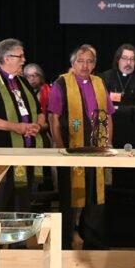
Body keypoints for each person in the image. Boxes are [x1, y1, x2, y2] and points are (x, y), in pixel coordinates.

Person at [49, 44, 115, 250]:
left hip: (96, 149)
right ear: (72, 63)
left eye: (90, 61)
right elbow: (54, 118)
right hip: (71, 149)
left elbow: (109, 115)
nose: (85, 65)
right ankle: (65, 242)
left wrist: (108, 142)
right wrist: (60, 148)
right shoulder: (61, 83)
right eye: (81, 61)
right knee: (69, 200)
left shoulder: (99, 82)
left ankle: (93, 240)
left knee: (96, 196)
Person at [0, 38, 45, 212]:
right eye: (20, 56)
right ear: (7, 58)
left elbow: (40, 110)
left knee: (22, 205)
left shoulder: (23, 82)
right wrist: (14, 127)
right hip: (1, 155)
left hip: (26, 153)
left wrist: (37, 125)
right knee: (1, 204)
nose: (23, 60)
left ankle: (18, 239)